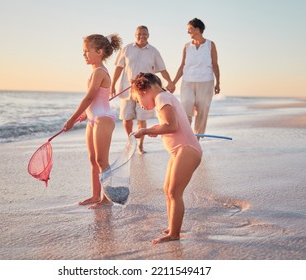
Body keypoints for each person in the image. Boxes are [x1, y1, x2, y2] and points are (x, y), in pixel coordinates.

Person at [131, 72, 202, 244]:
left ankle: (174, 234)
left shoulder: (162, 99)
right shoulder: (164, 98)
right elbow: (168, 125)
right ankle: (172, 226)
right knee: (167, 190)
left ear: (145, 91)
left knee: (174, 192)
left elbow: (171, 125)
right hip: (179, 151)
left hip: (187, 149)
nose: (140, 105)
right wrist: (156, 129)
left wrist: (146, 131)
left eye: (137, 100)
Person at [63, 33, 122, 209]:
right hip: (93, 119)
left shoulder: (99, 72)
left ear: (99, 51)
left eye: (86, 51)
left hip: (103, 119)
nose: (84, 55)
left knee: (102, 160)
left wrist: (72, 119)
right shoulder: (95, 72)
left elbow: (89, 98)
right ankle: (96, 195)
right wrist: (84, 115)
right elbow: (96, 100)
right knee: (93, 159)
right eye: (83, 52)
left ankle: (107, 198)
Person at [111, 25, 175, 154]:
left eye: (144, 34)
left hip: (145, 91)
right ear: (135, 35)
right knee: (127, 118)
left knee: (141, 118)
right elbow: (118, 68)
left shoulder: (153, 51)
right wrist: (113, 85)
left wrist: (170, 82)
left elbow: (162, 69)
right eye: (139, 34)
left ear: (148, 35)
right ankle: (131, 142)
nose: (142, 36)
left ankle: (140, 145)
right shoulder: (127, 49)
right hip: (127, 89)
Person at [172, 18, 220, 137]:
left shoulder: (210, 45)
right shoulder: (187, 46)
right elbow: (182, 65)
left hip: (206, 82)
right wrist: (173, 82)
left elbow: (215, 64)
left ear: (198, 30)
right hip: (187, 82)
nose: (188, 33)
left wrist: (218, 83)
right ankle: (186, 136)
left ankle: (197, 138)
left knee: (202, 111)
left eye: (190, 30)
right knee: (186, 108)